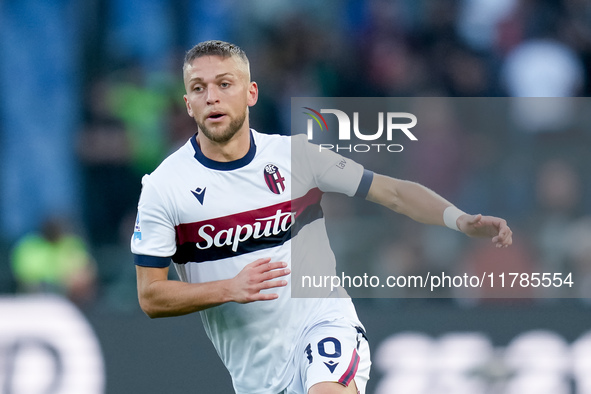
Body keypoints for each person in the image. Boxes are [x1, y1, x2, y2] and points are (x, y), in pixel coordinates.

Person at [131, 40, 512, 394]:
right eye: (199, 88)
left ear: (251, 93)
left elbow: (392, 191)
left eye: (225, 84)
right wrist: (227, 289)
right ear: (187, 103)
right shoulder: (165, 187)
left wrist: (458, 218)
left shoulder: (297, 156)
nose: (212, 97)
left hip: (324, 323)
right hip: (256, 376)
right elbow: (151, 296)